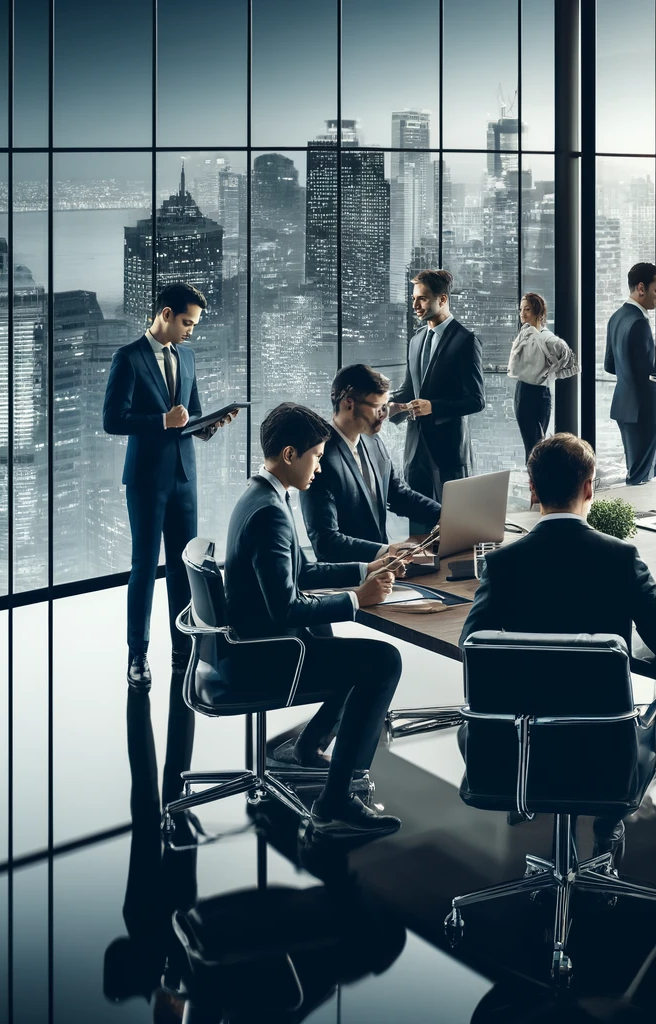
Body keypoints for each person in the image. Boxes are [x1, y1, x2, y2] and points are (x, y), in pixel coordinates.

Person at [460, 432, 656, 866]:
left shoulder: (503, 565)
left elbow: (472, 650)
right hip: (604, 753)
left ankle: (541, 805)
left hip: (517, 753)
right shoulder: (621, 559)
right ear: (590, 488)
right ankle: (606, 824)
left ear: (532, 491)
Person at [222, 402, 408, 839]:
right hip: (267, 656)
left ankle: (309, 747)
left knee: (349, 651)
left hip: (250, 644)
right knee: (382, 662)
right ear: (290, 454)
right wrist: (357, 600)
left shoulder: (261, 496)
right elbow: (286, 608)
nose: (320, 468)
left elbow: (301, 572)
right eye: (317, 457)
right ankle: (337, 802)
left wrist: (369, 567)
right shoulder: (271, 513)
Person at [103, 282, 237, 690]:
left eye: (194, 323)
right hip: (146, 479)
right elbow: (112, 420)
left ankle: (185, 649)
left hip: (184, 475)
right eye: (186, 321)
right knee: (144, 567)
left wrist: (209, 426)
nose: (191, 330)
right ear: (164, 313)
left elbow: (190, 418)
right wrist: (162, 421)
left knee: (184, 566)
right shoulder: (127, 358)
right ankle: (137, 656)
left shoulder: (188, 357)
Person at [304, 363, 441, 564]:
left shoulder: (373, 441)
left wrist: (444, 515)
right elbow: (326, 541)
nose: (384, 414)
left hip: (386, 570)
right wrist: (387, 551)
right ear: (348, 404)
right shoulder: (318, 457)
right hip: (347, 578)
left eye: (385, 406)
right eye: (378, 408)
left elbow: (398, 494)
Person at [391, 269, 485, 533]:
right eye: (413, 298)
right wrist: (385, 407)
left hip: (449, 454)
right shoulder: (416, 340)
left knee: (453, 529)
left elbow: (476, 400)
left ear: (442, 299)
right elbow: (410, 389)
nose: (415, 305)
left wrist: (434, 407)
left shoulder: (466, 341)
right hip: (416, 451)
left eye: (422, 298)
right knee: (419, 530)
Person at [605, 262, 656, 485]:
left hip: (624, 408)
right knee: (643, 478)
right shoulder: (640, 323)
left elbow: (609, 365)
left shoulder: (616, 317)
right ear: (641, 288)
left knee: (635, 472)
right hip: (645, 411)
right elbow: (648, 375)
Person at [507, 292, 580, 459]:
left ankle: (536, 481)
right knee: (531, 444)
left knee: (536, 446)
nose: (522, 313)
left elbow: (569, 359)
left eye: (527, 309)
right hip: (522, 391)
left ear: (538, 312)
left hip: (538, 393)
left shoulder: (548, 339)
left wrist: (554, 371)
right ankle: (534, 481)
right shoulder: (525, 333)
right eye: (521, 309)